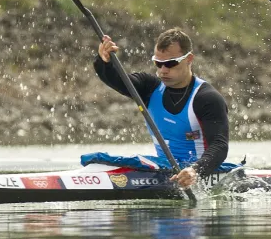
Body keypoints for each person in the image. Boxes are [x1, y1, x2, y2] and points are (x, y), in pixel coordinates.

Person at [95, 28, 230, 187]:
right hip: (164, 169)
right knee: (99, 159)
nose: (163, 70)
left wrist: (195, 170)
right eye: (158, 63)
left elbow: (220, 145)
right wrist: (105, 62)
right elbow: (117, 80)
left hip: (199, 172)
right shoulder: (149, 88)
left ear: (189, 59)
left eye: (170, 63)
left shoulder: (206, 98)